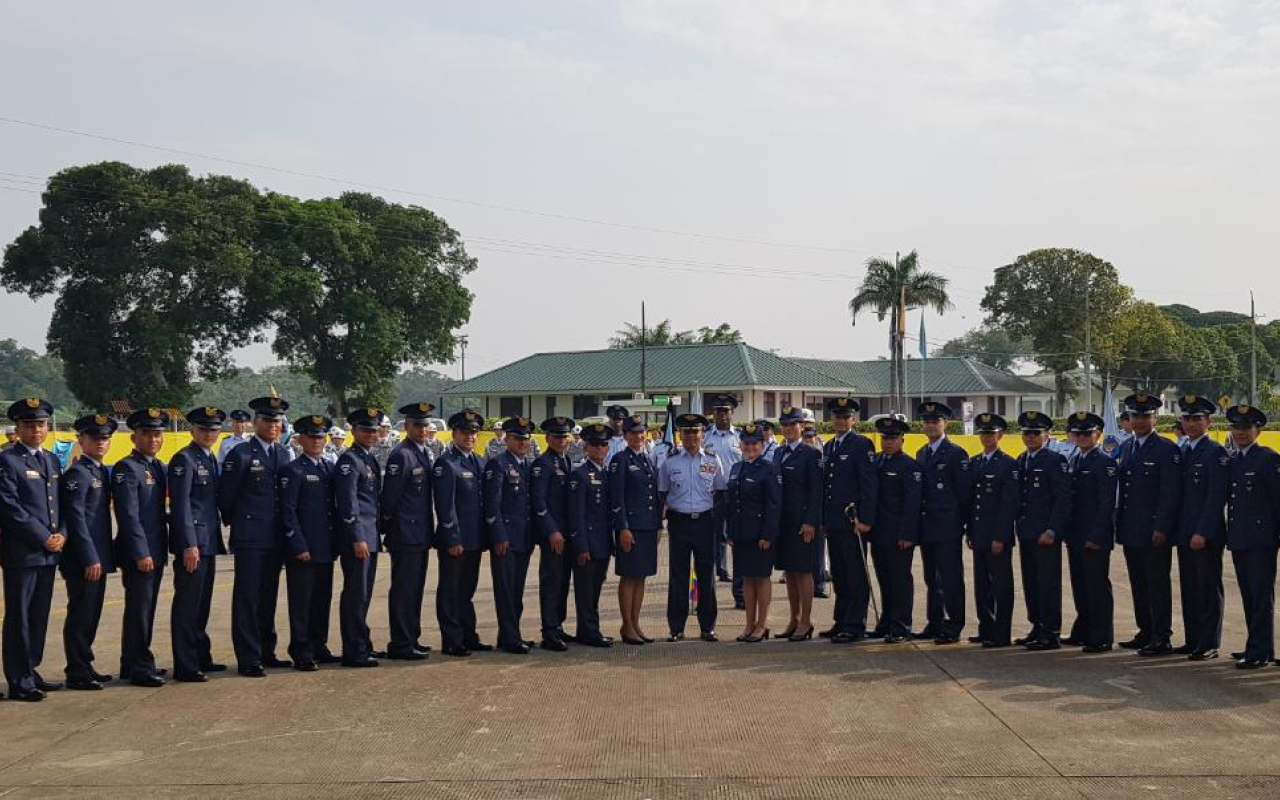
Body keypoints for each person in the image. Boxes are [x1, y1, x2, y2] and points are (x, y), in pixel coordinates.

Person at [218, 395, 293, 678]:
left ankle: (266, 651)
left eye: (277, 421)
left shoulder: (283, 454)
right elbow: (226, 497)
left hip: (275, 537)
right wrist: (239, 524)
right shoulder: (241, 454)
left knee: (268, 596)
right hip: (250, 536)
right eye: (267, 420)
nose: (273, 425)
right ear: (255, 422)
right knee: (247, 597)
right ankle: (248, 657)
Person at [0, 397, 66, 702]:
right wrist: (43, 536)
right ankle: (18, 678)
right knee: (20, 616)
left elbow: (59, 504)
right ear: (18, 427)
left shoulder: (51, 460)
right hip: (22, 552)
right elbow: (10, 508)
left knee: (39, 614)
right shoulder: (8, 459)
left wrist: (61, 534)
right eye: (29, 425)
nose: (36, 430)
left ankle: (32, 669)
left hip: (48, 551)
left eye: (40, 424)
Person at [1115, 392, 1181, 656]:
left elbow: (1170, 493)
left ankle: (1161, 635)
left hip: (1154, 531)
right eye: (1135, 416)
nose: (1140, 421)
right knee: (1138, 583)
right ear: (1128, 419)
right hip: (1132, 528)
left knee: (1157, 584)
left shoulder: (1166, 449)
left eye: (1145, 416)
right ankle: (1145, 630)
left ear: (1155, 417)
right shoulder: (1128, 447)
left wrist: (1162, 527)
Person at [167, 406, 228, 683]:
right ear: (192, 430)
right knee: (187, 605)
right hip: (194, 545)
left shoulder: (208, 457)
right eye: (204, 429)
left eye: (214, 429)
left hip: (209, 541)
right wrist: (188, 544)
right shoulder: (184, 459)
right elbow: (180, 507)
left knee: (201, 604)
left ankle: (201, 656)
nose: (209, 433)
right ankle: (186, 664)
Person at [112, 407, 170, 687]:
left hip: (155, 550)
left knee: (145, 609)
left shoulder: (157, 466)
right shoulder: (127, 468)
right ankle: (140, 666)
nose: (153, 439)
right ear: (134, 437)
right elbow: (128, 515)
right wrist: (141, 552)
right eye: (146, 433)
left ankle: (130, 663)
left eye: (157, 434)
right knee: (139, 610)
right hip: (140, 553)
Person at [59, 413, 117, 691]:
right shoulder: (77, 475)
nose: (101, 443)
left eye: (105, 438)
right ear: (81, 440)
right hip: (84, 559)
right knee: (81, 613)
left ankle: (85, 663)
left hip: (98, 556)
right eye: (95, 438)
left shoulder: (97, 471)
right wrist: (89, 557)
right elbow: (76, 519)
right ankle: (77, 670)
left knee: (91, 613)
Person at [659, 413, 727, 642]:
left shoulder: (711, 459)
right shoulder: (670, 460)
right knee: (678, 576)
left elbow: (720, 491)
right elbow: (663, 492)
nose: (690, 437)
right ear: (680, 434)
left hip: (705, 523)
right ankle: (676, 628)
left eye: (695, 432)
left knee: (706, 575)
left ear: (702, 434)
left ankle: (708, 627)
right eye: (686, 432)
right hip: (679, 522)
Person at [279, 414, 340, 671]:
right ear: (300, 439)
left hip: (325, 546)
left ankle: (319, 644)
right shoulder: (293, 471)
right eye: (311, 436)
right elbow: (287, 511)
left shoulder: (329, 468)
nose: (316, 441)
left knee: (321, 599)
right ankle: (301, 649)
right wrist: (298, 545)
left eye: (320, 436)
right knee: (302, 602)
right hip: (304, 548)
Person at [1172, 395, 1229, 661]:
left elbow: (1215, 497)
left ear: (1208, 421)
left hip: (1205, 534)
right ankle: (1193, 638)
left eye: (1197, 419)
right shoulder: (1183, 450)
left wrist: (1202, 532)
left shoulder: (1215, 452)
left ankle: (1209, 642)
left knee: (1207, 587)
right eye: (1187, 418)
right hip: (1185, 532)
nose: (1191, 424)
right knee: (1190, 587)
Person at [1223, 404, 1280, 669]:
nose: (1241, 432)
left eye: (1246, 428)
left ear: (1258, 429)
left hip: (1261, 539)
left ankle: (1258, 650)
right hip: (1240, 537)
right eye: (1236, 427)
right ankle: (1258, 646)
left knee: (1260, 595)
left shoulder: (1268, 459)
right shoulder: (1234, 459)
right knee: (1248, 594)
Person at [379, 402, 437, 661]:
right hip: (404, 534)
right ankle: (401, 643)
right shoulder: (401, 454)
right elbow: (389, 499)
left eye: (426, 425)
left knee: (415, 589)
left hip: (421, 533)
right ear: (407, 426)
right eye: (418, 425)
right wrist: (390, 528)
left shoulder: (422, 452)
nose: (423, 429)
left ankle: (412, 637)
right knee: (404, 590)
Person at [433, 409, 492, 657]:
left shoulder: (479, 461)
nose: (470, 436)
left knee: (467, 589)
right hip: (455, 539)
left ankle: (469, 635)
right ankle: (452, 639)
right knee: (450, 589)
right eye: (465, 432)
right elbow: (445, 506)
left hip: (475, 537)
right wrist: (452, 536)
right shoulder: (446, 463)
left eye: (474, 432)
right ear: (454, 434)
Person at [820, 397, 879, 645]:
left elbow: (868, 485)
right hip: (833, 521)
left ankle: (855, 624)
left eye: (845, 416)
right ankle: (841, 620)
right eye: (837, 416)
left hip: (852, 521)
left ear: (853, 419)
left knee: (855, 574)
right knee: (840, 574)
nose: (841, 421)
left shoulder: (861, 444)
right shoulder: (829, 446)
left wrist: (865, 519)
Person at [914, 402, 971, 645]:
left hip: (947, 525)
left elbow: (964, 494)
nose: (931, 424)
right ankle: (935, 621)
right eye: (927, 421)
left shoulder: (956, 453)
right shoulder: (921, 453)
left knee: (950, 577)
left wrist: (964, 526)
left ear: (945, 423)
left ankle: (954, 623)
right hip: (928, 525)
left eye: (935, 420)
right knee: (931, 577)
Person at [1014, 410, 1070, 650]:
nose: (1030, 437)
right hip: (1026, 532)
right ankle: (1036, 626)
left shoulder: (1054, 461)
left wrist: (1052, 530)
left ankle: (1050, 631)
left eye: (1035, 433)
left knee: (1048, 583)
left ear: (1046, 435)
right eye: (1026, 432)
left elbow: (1062, 499)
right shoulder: (1021, 459)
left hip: (1045, 534)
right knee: (1031, 582)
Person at [1063, 411, 1117, 654]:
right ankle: (1083, 629)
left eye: (1087, 433)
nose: (1082, 437)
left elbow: (1106, 505)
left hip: (1094, 536)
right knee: (1080, 585)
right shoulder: (1075, 460)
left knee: (1096, 586)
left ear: (1098, 434)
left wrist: (1096, 536)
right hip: (1075, 535)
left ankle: (1102, 635)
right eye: (1077, 433)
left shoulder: (1104, 463)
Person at [334, 407, 384, 668]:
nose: (371, 434)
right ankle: (354, 650)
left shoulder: (368, 458)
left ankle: (362, 643)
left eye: (375, 430)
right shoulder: (349, 460)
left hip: (371, 536)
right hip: (359, 539)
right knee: (355, 594)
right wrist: (357, 537)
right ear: (353, 430)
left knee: (363, 594)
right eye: (366, 429)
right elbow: (348, 503)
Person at [483, 416, 537, 654]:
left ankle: (512, 633)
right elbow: (491, 505)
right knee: (505, 591)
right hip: (505, 538)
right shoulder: (498, 464)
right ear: (507, 439)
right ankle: (509, 637)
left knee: (516, 590)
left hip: (523, 537)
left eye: (525, 439)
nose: (522, 443)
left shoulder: (526, 465)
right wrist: (498, 535)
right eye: (517, 439)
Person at [966, 413, 1018, 649]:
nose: (987, 437)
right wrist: (970, 531)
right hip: (978, 533)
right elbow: (971, 502)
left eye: (991, 433)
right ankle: (985, 627)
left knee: (1001, 585)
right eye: (983, 433)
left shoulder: (1008, 464)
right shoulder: (975, 462)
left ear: (1001, 435)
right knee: (982, 585)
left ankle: (1001, 632)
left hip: (997, 536)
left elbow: (1008, 505)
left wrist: (1000, 536)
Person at [726, 422, 781, 642]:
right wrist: (730, 531)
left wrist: (768, 535)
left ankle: (762, 624)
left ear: (762, 444)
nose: (750, 447)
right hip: (741, 534)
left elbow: (774, 505)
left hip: (760, 535)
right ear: (740, 445)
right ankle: (749, 624)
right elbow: (732, 504)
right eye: (746, 443)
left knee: (761, 578)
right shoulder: (736, 468)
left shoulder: (769, 469)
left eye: (754, 443)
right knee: (747, 579)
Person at [609, 414, 661, 645]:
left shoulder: (648, 459)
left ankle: (635, 622)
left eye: (641, 432)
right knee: (629, 577)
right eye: (633, 433)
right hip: (631, 528)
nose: (638, 437)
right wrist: (622, 528)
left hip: (648, 526)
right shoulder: (620, 459)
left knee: (641, 578)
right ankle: (627, 625)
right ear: (625, 435)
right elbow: (616, 498)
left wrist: (658, 524)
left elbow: (655, 496)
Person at [869, 417, 921, 643]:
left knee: (900, 581)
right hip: (879, 533)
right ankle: (886, 621)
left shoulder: (909, 466)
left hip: (898, 535)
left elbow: (913, 504)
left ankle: (901, 626)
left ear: (902, 440)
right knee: (884, 579)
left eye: (892, 438)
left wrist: (908, 535)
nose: (887, 442)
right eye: (884, 438)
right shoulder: (877, 462)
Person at [774, 407, 823, 641]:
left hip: (802, 523)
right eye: (784, 425)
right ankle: (793, 619)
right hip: (784, 523)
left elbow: (816, 492)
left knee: (804, 572)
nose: (788, 429)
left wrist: (811, 521)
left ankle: (806, 621)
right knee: (790, 572)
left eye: (793, 424)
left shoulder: (810, 454)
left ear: (802, 427)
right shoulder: (778, 452)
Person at [566, 423, 615, 647]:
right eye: (595, 444)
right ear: (586, 448)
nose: (600, 448)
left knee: (595, 589)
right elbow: (575, 515)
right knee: (586, 592)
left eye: (604, 444)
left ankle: (588, 629)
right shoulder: (579, 474)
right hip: (587, 544)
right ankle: (589, 632)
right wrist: (581, 546)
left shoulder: (605, 473)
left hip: (603, 543)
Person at [531, 416, 576, 651]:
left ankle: (557, 625)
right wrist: (551, 531)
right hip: (553, 535)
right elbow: (539, 502)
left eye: (564, 436)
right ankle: (548, 631)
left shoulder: (565, 460)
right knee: (551, 582)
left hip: (567, 533)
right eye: (557, 436)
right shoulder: (543, 464)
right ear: (548, 438)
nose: (562, 440)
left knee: (562, 582)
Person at [703, 394, 742, 595]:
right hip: (714, 493)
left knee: (737, 537)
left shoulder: (741, 437)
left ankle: (740, 591)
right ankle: (721, 569)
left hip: (737, 493)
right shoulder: (706, 437)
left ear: (732, 413)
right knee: (716, 535)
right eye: (718, 410)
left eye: (725, 410)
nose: (722, 414)